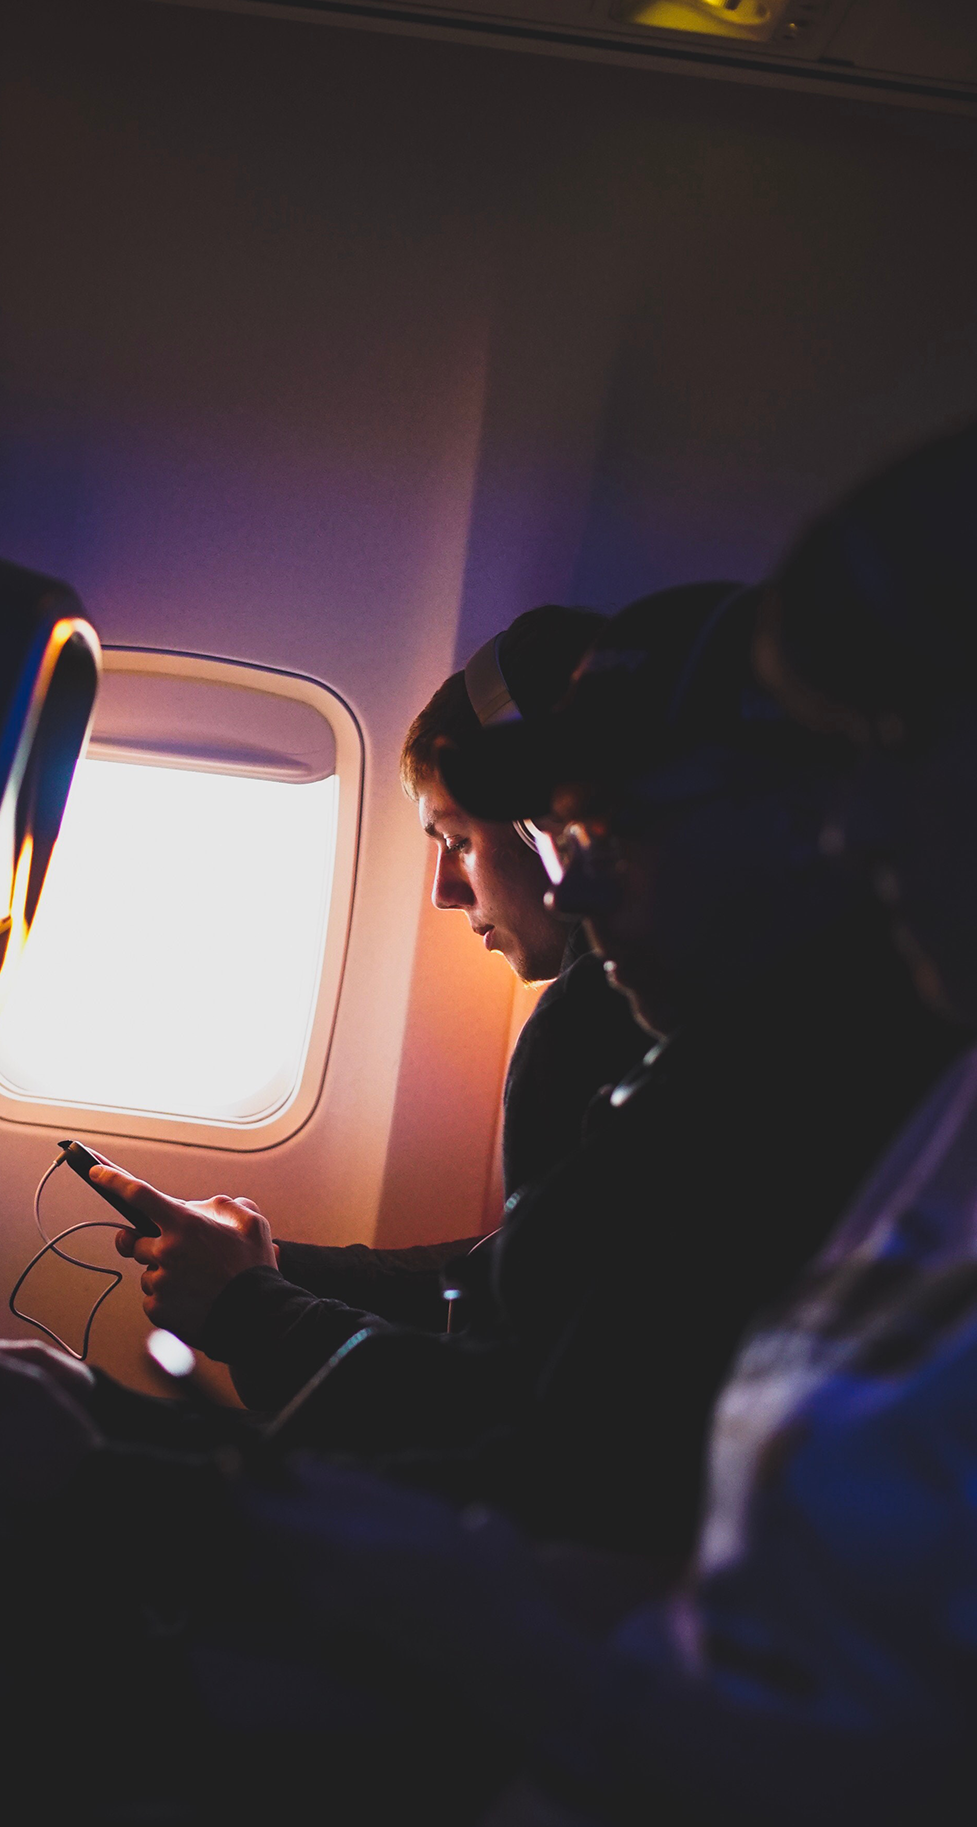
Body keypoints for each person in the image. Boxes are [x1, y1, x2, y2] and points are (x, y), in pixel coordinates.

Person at [95, 582, 961, 1561]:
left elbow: (548, 1492)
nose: (573, 887)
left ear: (813, 822)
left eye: (613, 829)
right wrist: (260, 1299)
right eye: (566, 836)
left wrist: (168, 1438)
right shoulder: (717, 1073)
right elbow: (516, 1310)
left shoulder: (794, 1118)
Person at [271, 603, 644, 1334]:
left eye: (456, 840)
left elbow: (496, 1381)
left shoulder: (582, 1025)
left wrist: (251, 1307)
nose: (444, 892)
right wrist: (271, 1268)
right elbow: (507, 1267)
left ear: (544, 825)